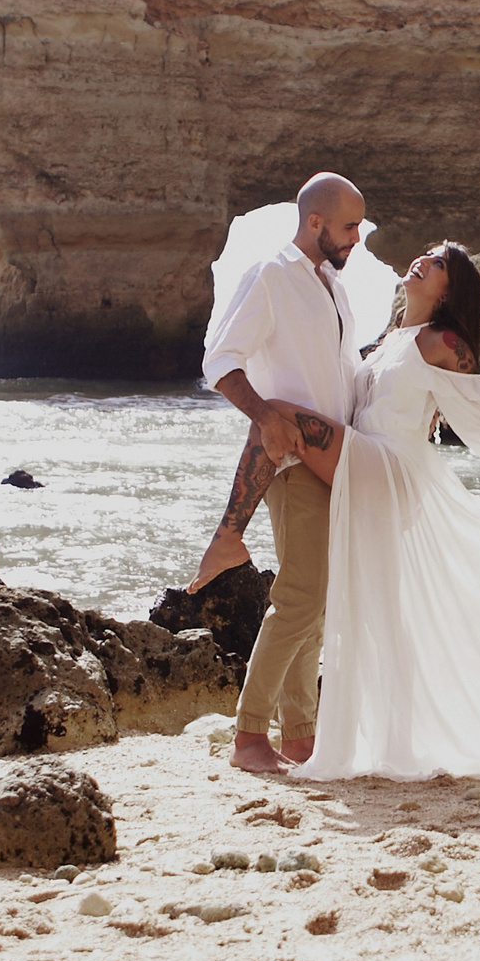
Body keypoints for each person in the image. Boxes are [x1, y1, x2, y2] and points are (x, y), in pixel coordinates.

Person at [190, 241, 480, 781]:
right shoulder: (387, 340)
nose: (423, 261)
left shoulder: (444, 343)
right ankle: (304, 735)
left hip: (391, 468)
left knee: (278, 416)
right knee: (322, 598)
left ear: (449, 292)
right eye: (426, 254)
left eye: (438, 264)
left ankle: (228, 537)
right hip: (362, 463)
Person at [196, 173, 367, 775]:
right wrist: (265, 417)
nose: (356, 238)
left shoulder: (334, 288)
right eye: (349, 227)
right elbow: (220, 360)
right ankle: (249, 736)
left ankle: (299, 736)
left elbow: (342, 378)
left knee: (313, 606)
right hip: (294, 465)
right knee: (301, 600)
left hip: (333, 462)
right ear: (315, 222)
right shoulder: (271, 275)